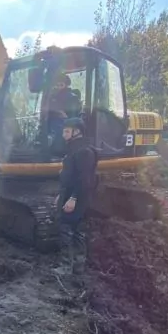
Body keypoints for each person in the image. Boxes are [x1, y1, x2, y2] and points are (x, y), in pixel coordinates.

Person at [53, 116, 97, 274]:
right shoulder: (74, 149)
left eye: (66, 131)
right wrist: (62, 194)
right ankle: (78, 266)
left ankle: (67, 266)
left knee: (67, 229)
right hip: (70, 194)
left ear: (76, 132)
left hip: (77, 196)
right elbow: (70, 175)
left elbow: (84, 179)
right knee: (77, 229)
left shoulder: (84, 152)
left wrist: (73, 198)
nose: (63, 134)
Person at [39, 74, 81, 156]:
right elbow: (46, 112)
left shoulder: (72, 98)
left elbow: (75, 118)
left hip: (65, 126)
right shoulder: (51, 97)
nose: (59, 87)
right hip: (50, 126)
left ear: (66, 84)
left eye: (61, 85)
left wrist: (65, 116)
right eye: (57, 85)